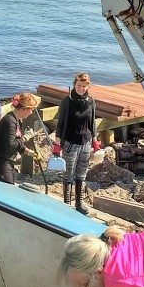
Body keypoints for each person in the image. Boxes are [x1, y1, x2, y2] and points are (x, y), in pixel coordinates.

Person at [54, 72, 99, 213]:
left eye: (84, 86)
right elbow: (60, 124)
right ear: (74, 84)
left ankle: (79, 203)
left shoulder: (91, 102)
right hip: (70, 143)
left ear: (88, 87)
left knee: (81, 174)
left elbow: (92, 123)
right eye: (79, 85)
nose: (81, 88)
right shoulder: (66, 102)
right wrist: (57, 144)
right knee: (68, 174)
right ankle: (66, 204)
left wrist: (95, 142)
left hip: (86, 142)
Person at [0, 92, 38, 184]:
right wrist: (25, 137)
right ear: (25, 108)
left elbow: (14, 140)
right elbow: (11, 145)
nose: (31, 112)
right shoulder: (9, 121)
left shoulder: (16, 121)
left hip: (2, 158)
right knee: (7, 187)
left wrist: (29, 152)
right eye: (31, 109)